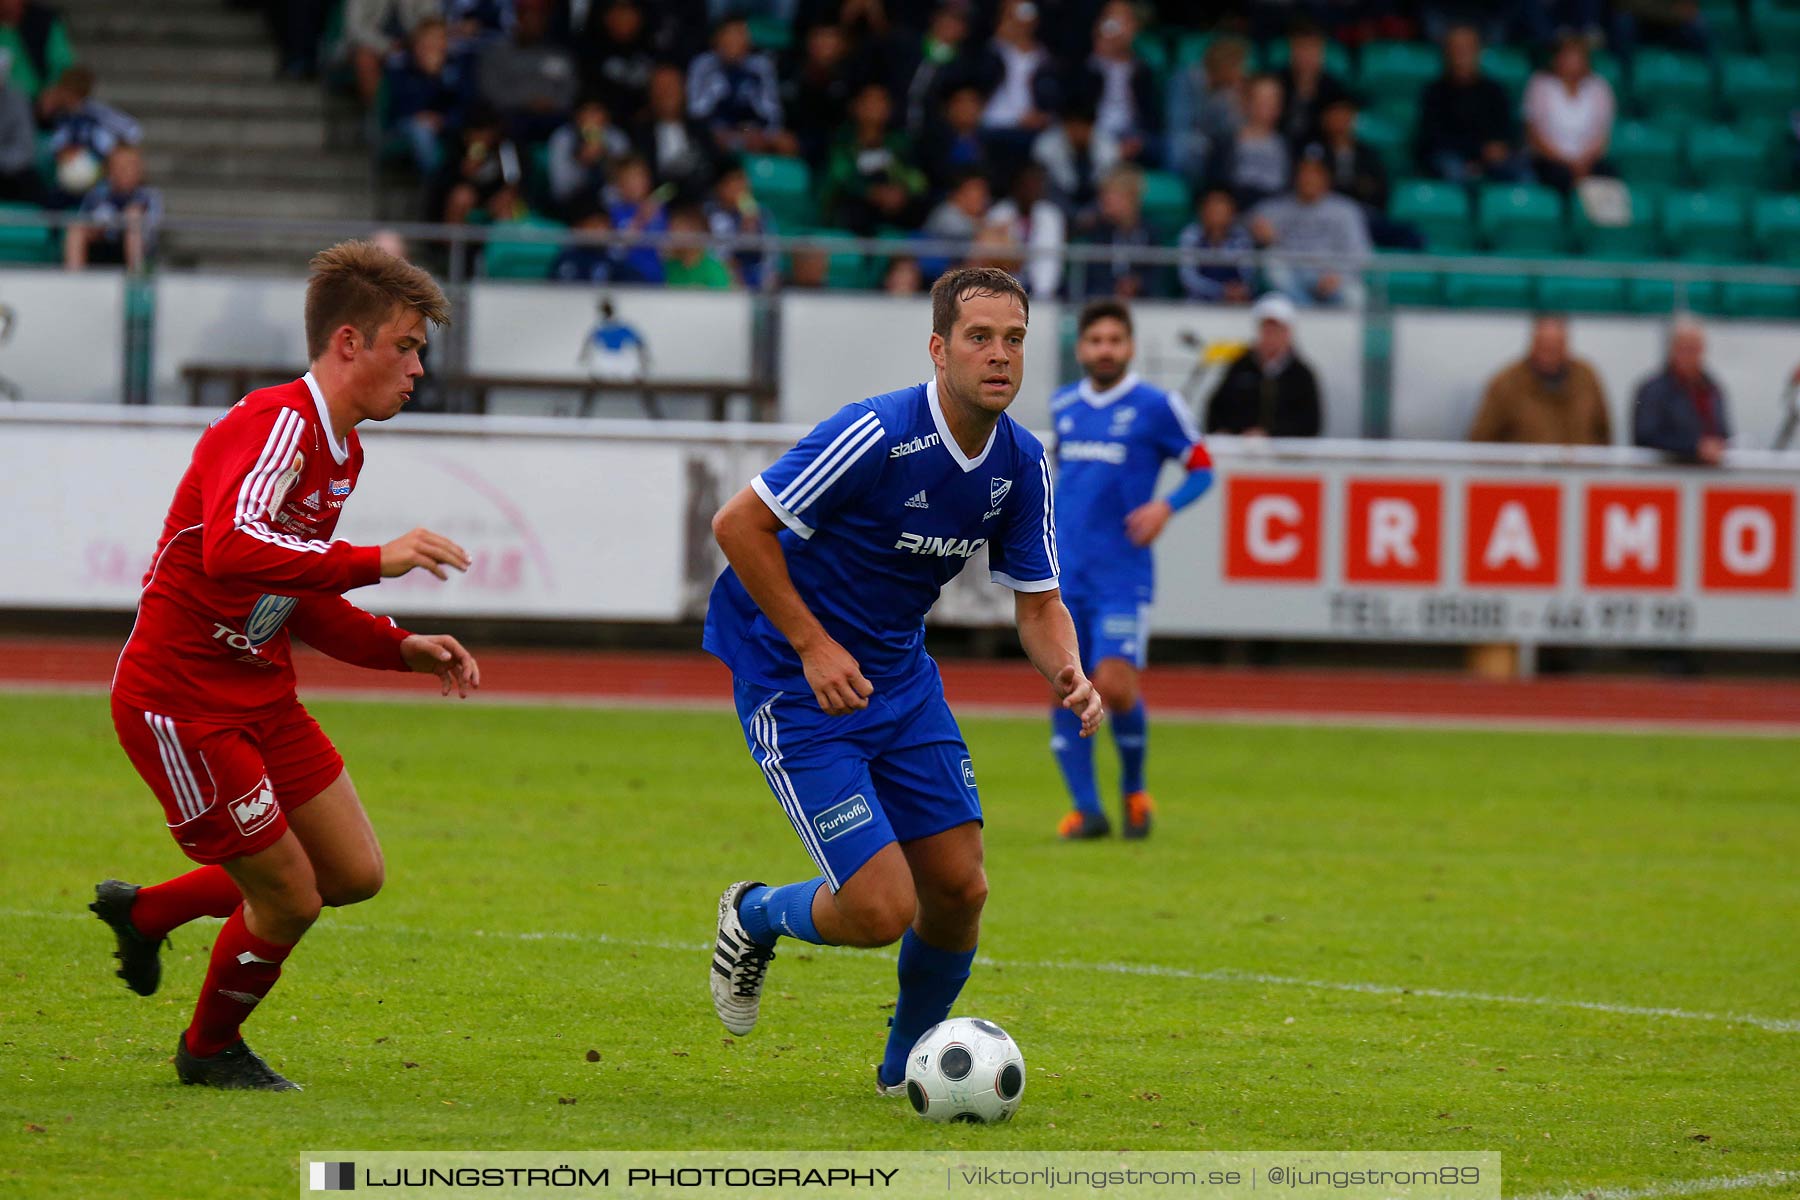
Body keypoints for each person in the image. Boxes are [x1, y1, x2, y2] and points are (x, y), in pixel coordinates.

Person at [702, 266, 1102, 1095]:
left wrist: (1068, 668)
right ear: (939, 347)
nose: (1000, 356)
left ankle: (903, 1072)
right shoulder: (877, 433)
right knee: (881, 910)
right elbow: (738, 524)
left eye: (1015, 339)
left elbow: (1038, 605)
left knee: (959, 889)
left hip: (900, 680)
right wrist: (813, 644)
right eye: (980, 337)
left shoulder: (1022, 463)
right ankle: (752, 914)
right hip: (796, 683)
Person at [92, 241, 480, 1091]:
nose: (418, 368)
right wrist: (375, 557)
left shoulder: (342, 452)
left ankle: (148, 910)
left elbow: (290, 589)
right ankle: (207, 1052)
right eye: (407, 345)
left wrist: (397, 647)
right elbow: (233, 551)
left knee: (352, 875)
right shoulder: (277, 423)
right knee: (291, 899)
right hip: (183, 705)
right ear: (349, 344)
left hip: (261, 692)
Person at [1046, 300, 1213, 840]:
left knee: (1114, 686)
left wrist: (1166, 506)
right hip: (1066, 570)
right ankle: (1087, 809)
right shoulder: (1063, 405)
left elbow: (1203, 468)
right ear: (1081, 349)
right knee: (1068, 685)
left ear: (1130, 346)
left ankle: (1134, 789)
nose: (1105, 350)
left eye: (1115, 340)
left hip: (1122, 574)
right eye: (1095, 340)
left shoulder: (1156, 406)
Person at [1250, 149, 1371, 308]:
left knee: (1356, 295)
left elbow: (1360, 254)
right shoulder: (1270, 209)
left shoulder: (1346, 211)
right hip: (1293, 277)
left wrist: (1339, 276)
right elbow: (1242, 231)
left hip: (1332, 276)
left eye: (1316, 173)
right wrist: (1263, 240)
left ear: (1328, 177)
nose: (1309, 178)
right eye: (1304, 172)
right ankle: (1304, 311)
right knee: (1272, 264)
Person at [1469, 313, 1611, 444]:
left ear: (1566, 344)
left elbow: (1604, 435)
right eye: (1545, 346)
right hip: (1523, 471)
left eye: (1556, 346)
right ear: (1532, 344)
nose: (1550, 354)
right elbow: (1481, 442)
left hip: (1579, 470)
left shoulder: (1587, 379)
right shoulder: (1506, 383)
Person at [1416, 24, 1530, 185]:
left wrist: (1500, 148)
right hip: (1451, 157)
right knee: (1453, 170)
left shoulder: (1494, 90)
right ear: (1446, 52)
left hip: (1492, 159)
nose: (1462, 55)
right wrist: (1478, 151)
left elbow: (1507, 132)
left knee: (1523, 172)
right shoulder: (1434, 92)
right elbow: (1431, 139)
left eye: (1467, 48)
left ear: (1478, 52)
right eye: (1457, 49)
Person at [1203, 293, 1322, 436]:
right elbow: (1217, 407)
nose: (1270, 336)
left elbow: (1308, 423)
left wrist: (1269, 435)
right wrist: (1226, 431)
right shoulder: (1240, 366)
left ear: (1288, 333)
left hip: (1285, 453)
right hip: (1238, 447)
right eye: (1266, 329)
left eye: (1276, 330)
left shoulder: (1301, 375)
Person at [1523, 33, 1616, 194]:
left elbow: (1603, 135)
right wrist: (1566, 162)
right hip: (1551, 160)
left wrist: (1583, 162)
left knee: (1609, 174)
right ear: (1556, 59)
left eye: (1577, 56)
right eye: (1567, 56)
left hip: (1588, 161)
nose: (1572, 62)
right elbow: (1534, 135)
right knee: (1560, 176)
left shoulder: (1599, 87)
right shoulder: (1540, 85)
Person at [1632, 316, 1731, 464]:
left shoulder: (1712, 388)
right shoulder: (1653, 390)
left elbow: (1723, 432)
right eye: (1685, 348)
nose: (1691, 355)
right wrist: (1694, 447)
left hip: (1707, 477)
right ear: (1672, 349)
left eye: (1695, 348)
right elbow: (1646, 436)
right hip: (1668, 477)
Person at [64, 145, 162, 271]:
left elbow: (152, 229)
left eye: (129, 166)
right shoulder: (97, 195)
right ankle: (73, 280)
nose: (124, 171)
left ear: (139, 170)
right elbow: (88, 221)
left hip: (138, 248)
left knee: (134, 217)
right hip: (102, 245)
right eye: (119, 167)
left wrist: (123, 220)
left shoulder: (150, 196)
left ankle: (136, 278)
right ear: (110, 171)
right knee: (76, 228)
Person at [1177, 187, 1255, 304]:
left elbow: (1248, 272)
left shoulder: (1241, 237)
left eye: (1222, 208)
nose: (1217, 213)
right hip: (1199, 302)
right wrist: (1220, 291)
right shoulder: (1190, 236)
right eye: (1213, 208)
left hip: (1233, 300)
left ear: (1232, 212)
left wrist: (1238, 290)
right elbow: (1188, 277)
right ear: (1202, 210)